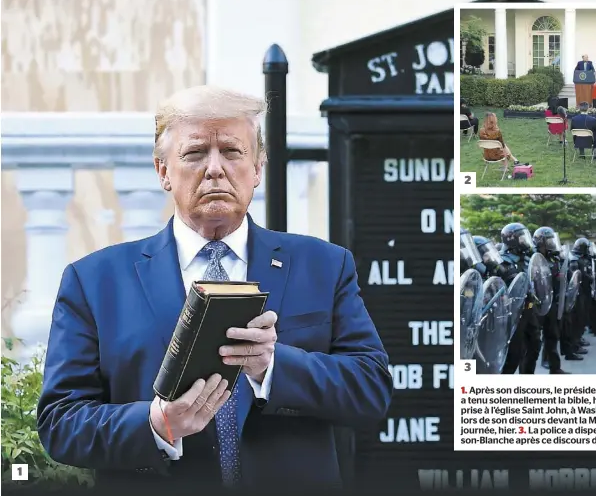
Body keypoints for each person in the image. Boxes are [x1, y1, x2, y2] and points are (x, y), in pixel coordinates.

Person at [36, 85, 393, 491]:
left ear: (258, 167)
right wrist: (156, 424)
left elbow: (372, 388)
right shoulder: (95, 281)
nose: (215, 168)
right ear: (163, 171)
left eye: (232, 151)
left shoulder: (324, 266)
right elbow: (60, 423)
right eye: (194, 153)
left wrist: (273, 366)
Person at [497, 223, 539, 374]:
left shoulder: (526, 259)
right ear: (512, 240)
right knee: (514, 354)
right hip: (511, 313)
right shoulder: (502, 262)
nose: (525, 241)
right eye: (522, 238)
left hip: (528, 307)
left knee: (534, 345)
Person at [533, 227, 569, 374]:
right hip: (536, 305)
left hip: (552, 302)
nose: (552, 243)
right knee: (533, 342)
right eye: (549, 240)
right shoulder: (533, 258)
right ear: (541, 242)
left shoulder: (554, 258)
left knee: (553, 335)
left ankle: (555, 367)